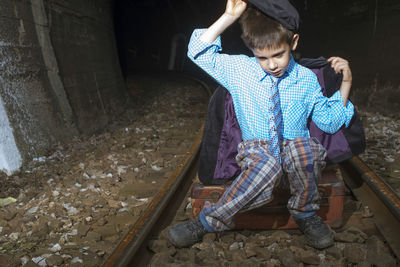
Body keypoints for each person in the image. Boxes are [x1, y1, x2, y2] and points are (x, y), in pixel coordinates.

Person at [167, 0, 354, 250]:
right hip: (258, 152)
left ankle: (305, 213)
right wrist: (228, 17)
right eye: (262, 57)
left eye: (279, 55)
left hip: (294, 160)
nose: (272, 65)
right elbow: (198, 52)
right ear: (252, 51)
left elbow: (329, 122)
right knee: (267, 165)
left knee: (305, 149)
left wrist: (346, 83)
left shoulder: (307, 80)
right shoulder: (240, 70)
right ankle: (208, 221)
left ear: (294, 43)